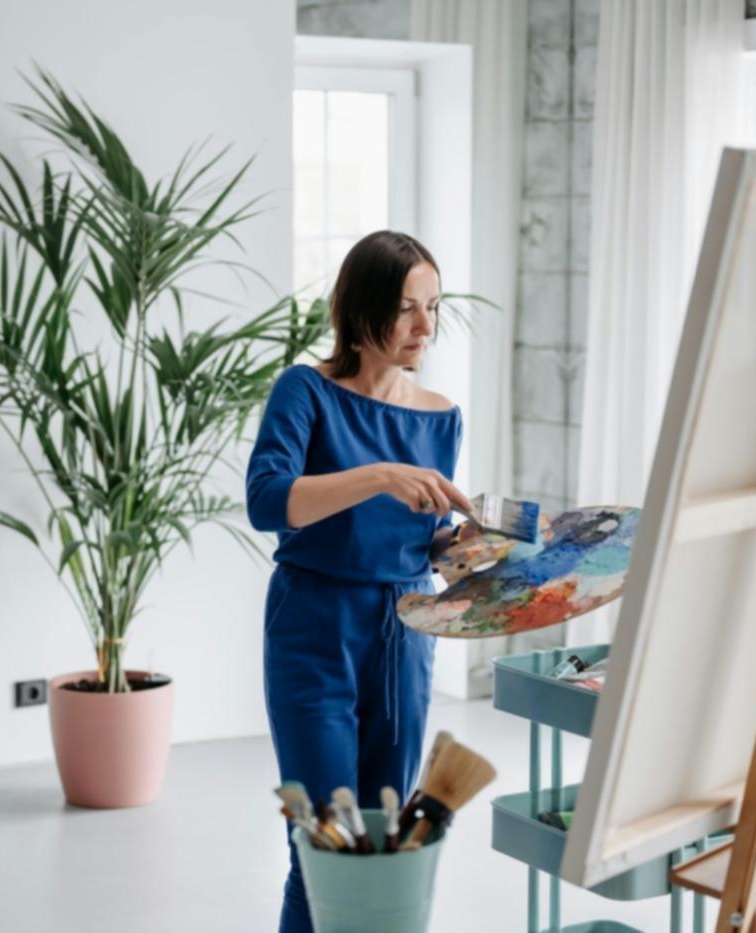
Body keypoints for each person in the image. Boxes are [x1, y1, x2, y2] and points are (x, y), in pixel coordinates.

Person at [246, 230, 471, 933]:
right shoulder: (304, 389)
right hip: (314, 627)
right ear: (361, 308)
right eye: (406, 308)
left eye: (432, 307)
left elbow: (426, 544)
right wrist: (379, 475)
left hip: (404, 633)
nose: (424, 327)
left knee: (381, 838)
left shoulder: (440, 416)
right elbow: (265, 500)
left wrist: (464, 547)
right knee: (321, 841)